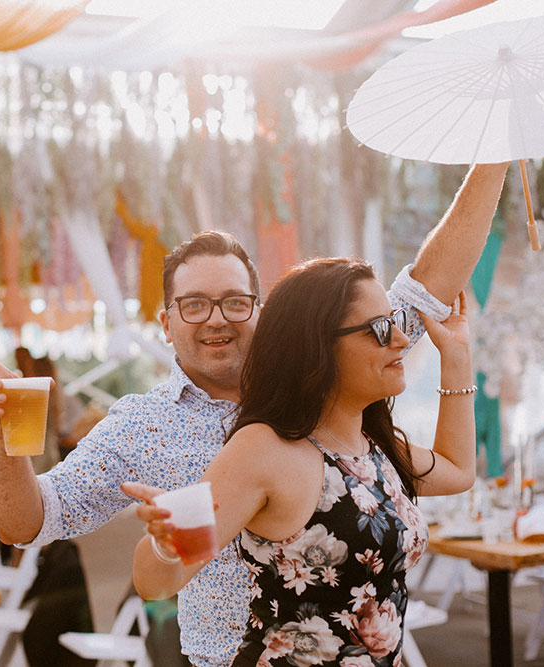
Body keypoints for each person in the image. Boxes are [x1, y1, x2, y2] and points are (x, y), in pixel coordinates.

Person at [0, 163, 508, 666]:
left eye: (235, 301)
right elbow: (28, 521)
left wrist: (494, 156)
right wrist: (10, 435)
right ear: (166, 322)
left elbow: (427, 287)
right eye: (194, 305)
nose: (216, 319)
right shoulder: (143, 425)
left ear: (260, 310)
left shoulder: (327, 391)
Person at [123, 257, 474, 665]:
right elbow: (157, 584)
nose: (399, 339)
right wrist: (167, 545)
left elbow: (458, 470)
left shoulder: (370, 447)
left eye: (394, 320)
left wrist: (457, 357)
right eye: (379, 328)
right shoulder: (265, 450)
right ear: (317, 346)